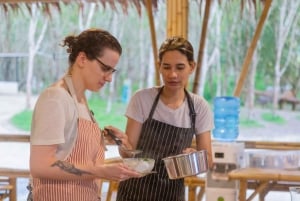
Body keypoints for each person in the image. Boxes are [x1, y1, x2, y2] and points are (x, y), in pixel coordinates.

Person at [29, 28, 141, 201]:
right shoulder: (56, 97)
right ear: (82, 59)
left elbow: (71, 149)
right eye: (105, 68)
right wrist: (101, 171)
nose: (109, 78)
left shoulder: (81, 100)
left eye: (112, 71)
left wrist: (111, 142)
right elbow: (41, 165)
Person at [115, 36, 214, 201]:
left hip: (172, 194)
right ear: (158, 66)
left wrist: (195, 158)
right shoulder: (142, 99)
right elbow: (128, 154)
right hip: (134, 192)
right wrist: (122, 143)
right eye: (166, 67)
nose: (172, 74)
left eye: (180, 67)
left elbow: (208, 161)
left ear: (192, 67)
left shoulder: (199, 107)